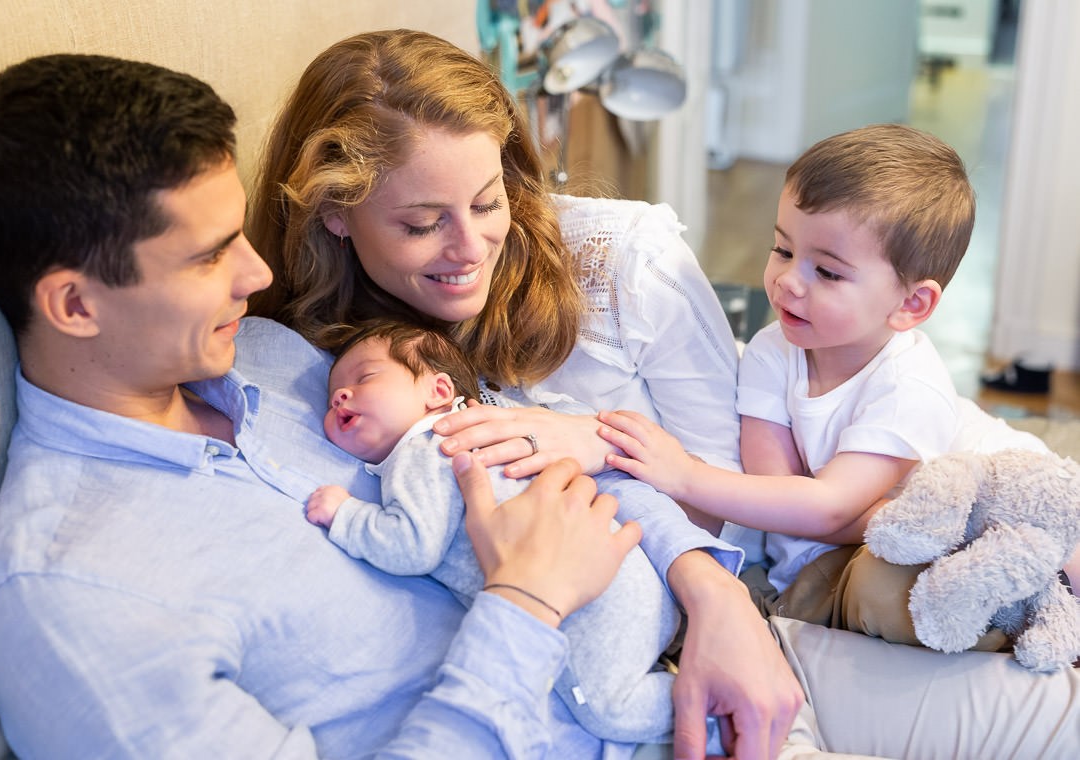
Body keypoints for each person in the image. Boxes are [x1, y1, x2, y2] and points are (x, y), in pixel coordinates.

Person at [0, 52, 804, 759]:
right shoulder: (75, 601)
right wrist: (527, 605)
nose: (260, 275)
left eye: (243, 234)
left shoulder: (280, 355)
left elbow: (526, 455)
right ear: (75, 305)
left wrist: (713, 593)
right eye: (210, 257)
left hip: (709, 677)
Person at [247, 28, 803, 754]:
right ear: (335, 214)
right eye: (422, 224)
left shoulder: (627, 262)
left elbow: (747, 512)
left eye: (487, 203)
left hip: (757, 560)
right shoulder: (338, 359)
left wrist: (595, 440)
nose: (471, 250)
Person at [597, 124, 1077, 645]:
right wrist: (835, 509)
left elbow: (820, 508)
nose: (788, 281)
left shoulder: (910, 387)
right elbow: (779, 494)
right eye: (782, 250)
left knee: (925, 583)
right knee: (883, 591)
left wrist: (685, 476)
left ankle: (1048, 600)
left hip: (993, 506)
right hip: (864, 554)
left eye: (827, 272)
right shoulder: (771, 350)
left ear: (910, 305)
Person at [307, 319, 690, 745]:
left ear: (437, 392)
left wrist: (345, 515)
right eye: (330, 397)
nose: (341, 394)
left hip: (595, 601)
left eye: (365, 377)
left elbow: (411, 547)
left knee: (610, 709)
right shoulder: (484, 433)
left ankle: (719, 714)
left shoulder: (427, 447)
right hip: (634, 581)